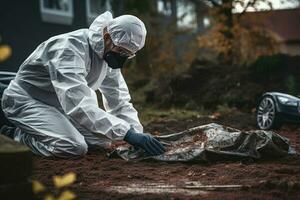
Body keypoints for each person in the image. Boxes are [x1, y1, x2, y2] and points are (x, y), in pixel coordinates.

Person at [1, 11, 165, 157]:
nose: (122, 57)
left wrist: (135, 132)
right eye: (121, 51)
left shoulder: (107, 55)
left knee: (106, 141)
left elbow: (119, 101)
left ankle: (45, 129)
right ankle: (13, 135)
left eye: (128, 55)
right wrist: (126, 133)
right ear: (107, 36)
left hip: (60, 106)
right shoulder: (69, 49)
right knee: (72, 146)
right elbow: (78, 104)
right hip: (27, 101)